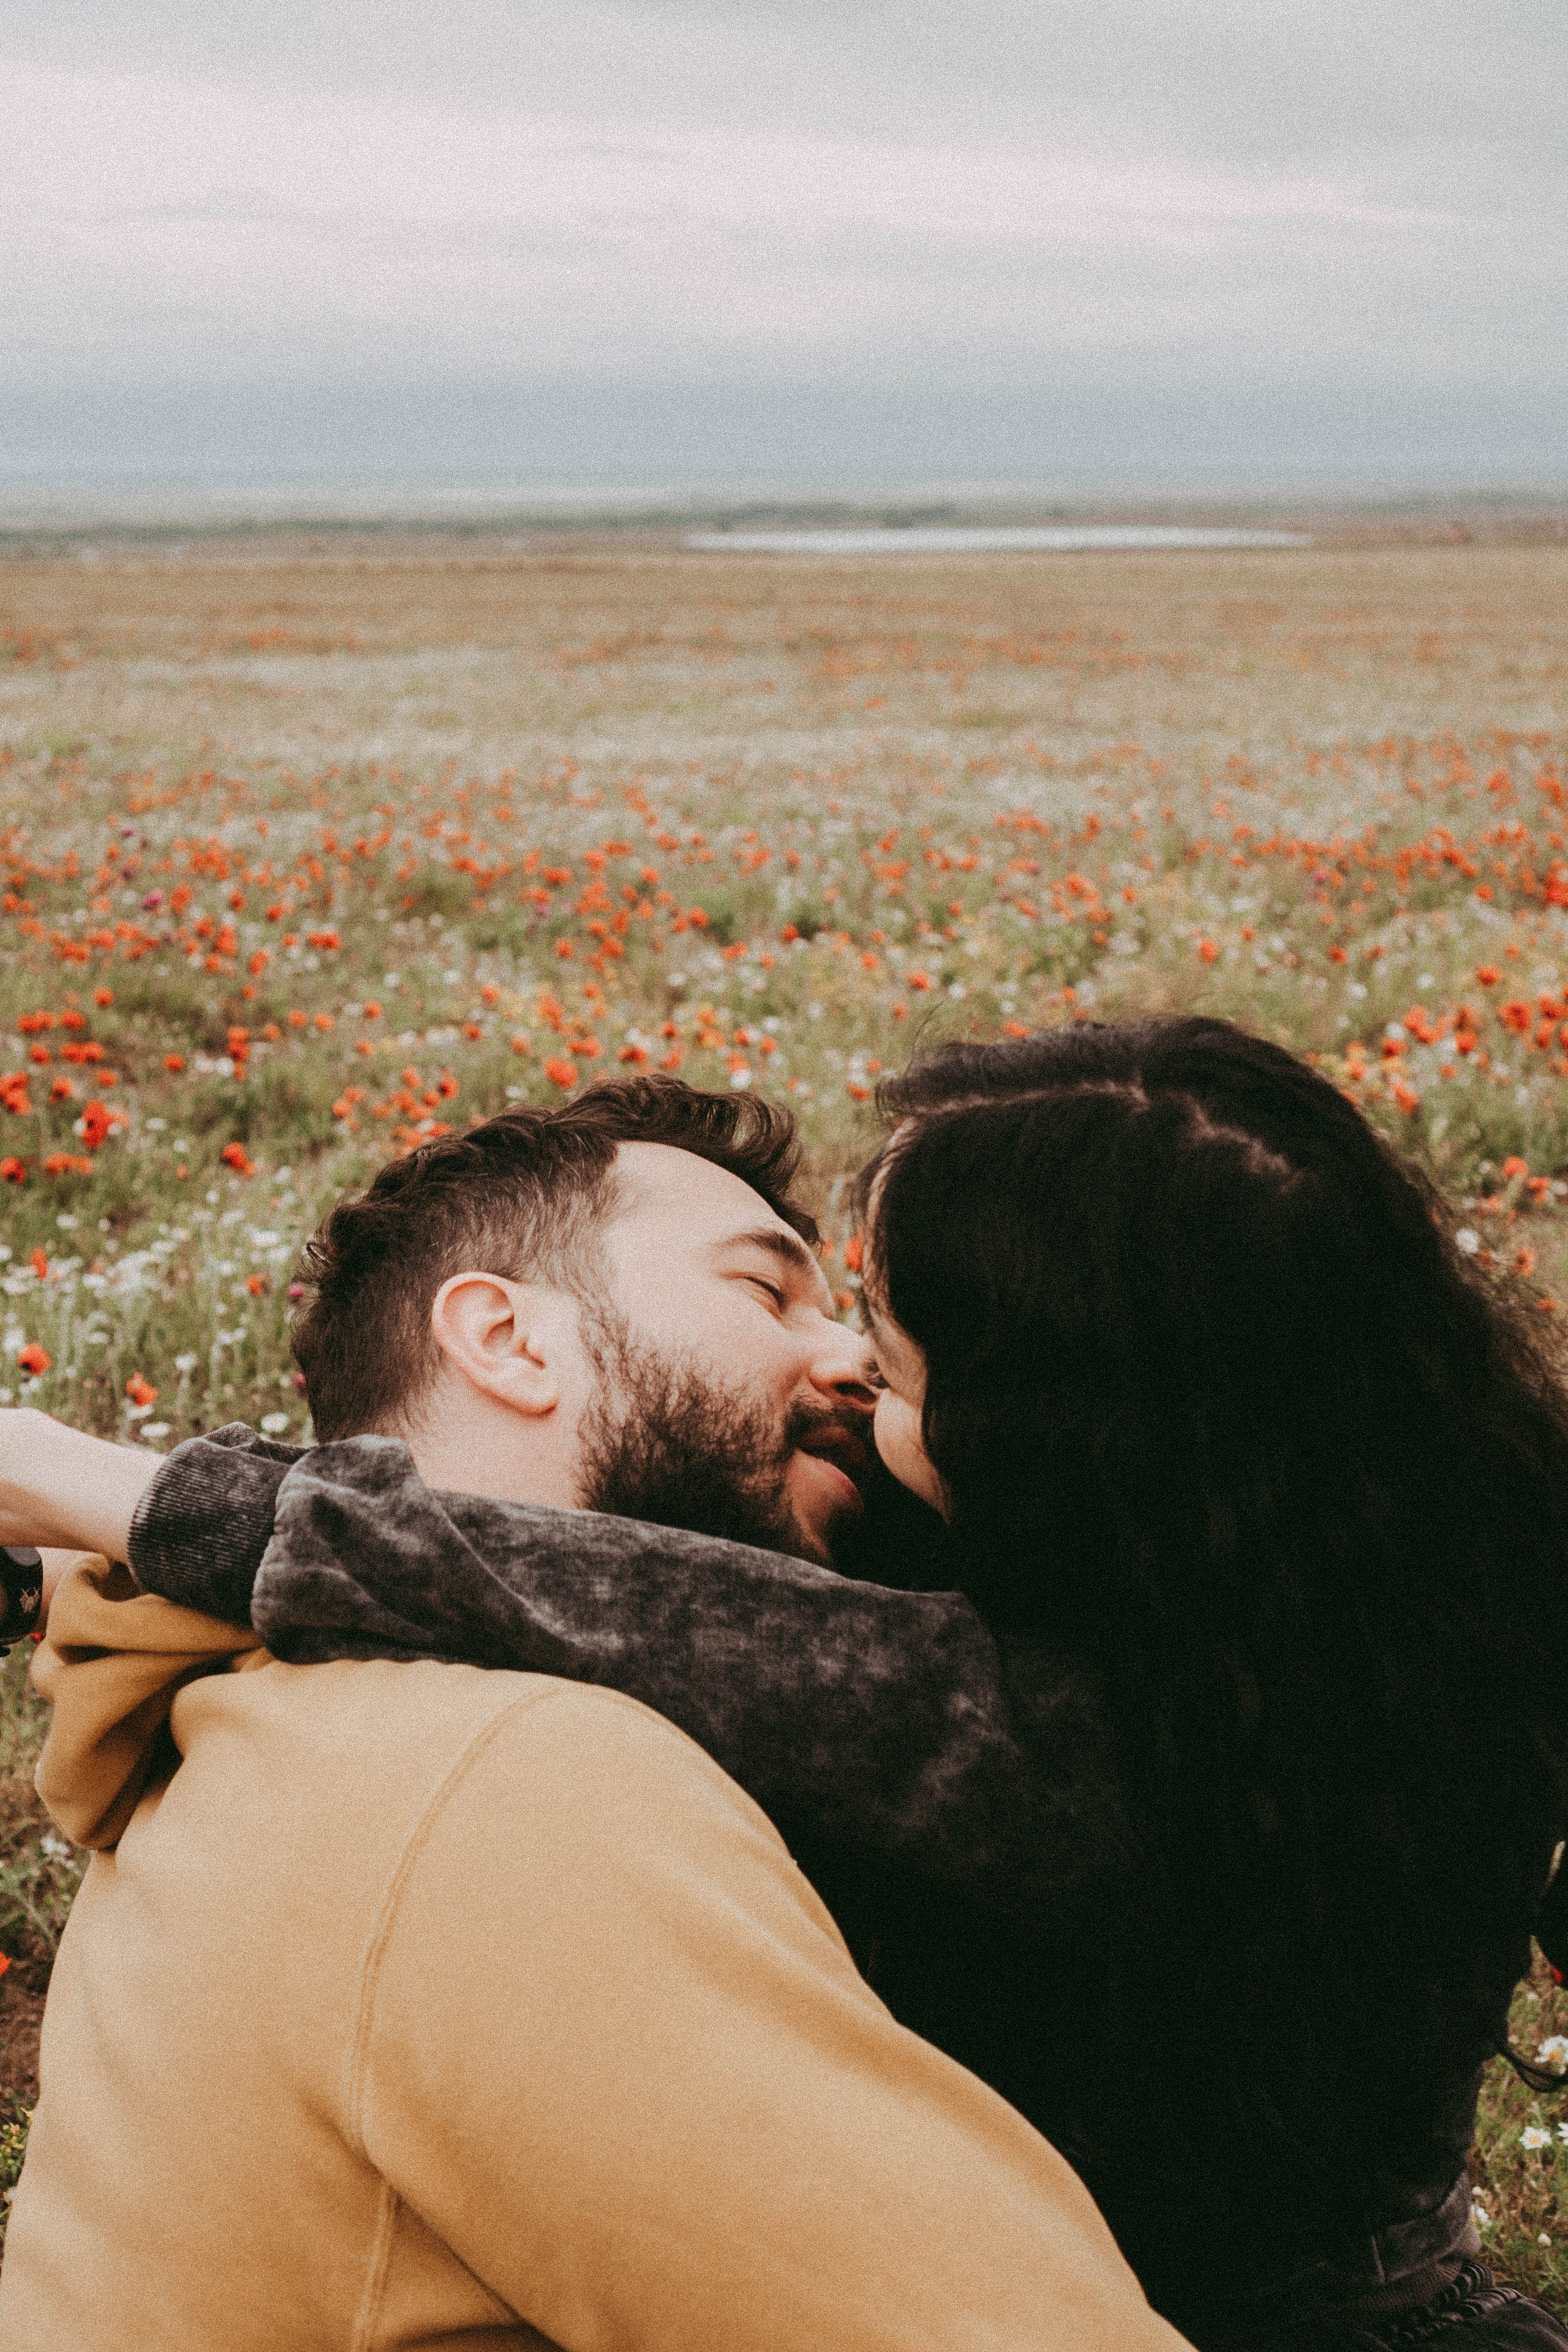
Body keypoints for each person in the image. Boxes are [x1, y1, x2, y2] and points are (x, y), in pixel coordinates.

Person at [10, 1032, 1568, 2347]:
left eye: (892, 1359)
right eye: (783, 1295)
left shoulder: (1044, 1725)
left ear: (1053, 1449)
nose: (844, 1364)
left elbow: (626, 1602)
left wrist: (87, 1484)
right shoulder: (1391, 1571)